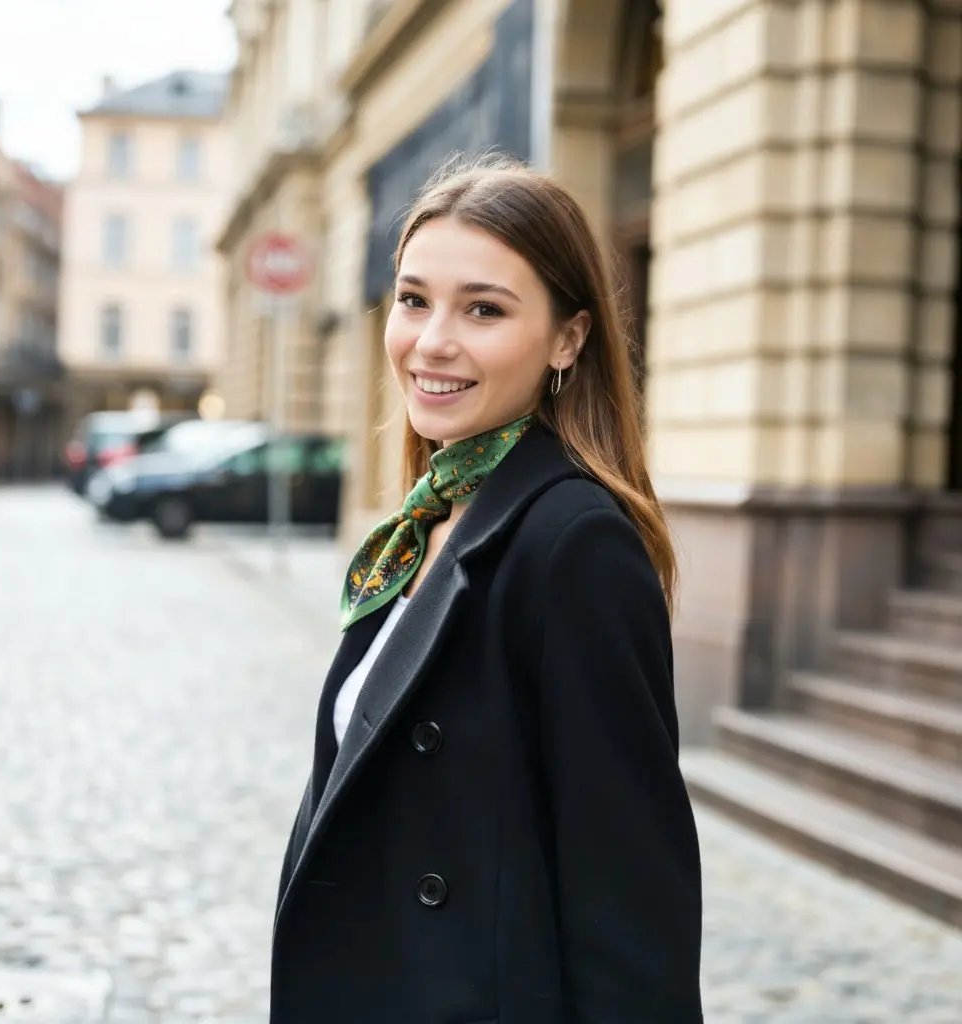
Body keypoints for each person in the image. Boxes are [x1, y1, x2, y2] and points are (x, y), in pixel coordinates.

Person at [269, 157, 703, 1023]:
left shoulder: (575, 544)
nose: (431, 341)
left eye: (485, 309)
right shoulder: (426, 526)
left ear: (569, 339)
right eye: (413, 298)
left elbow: (631, 897)